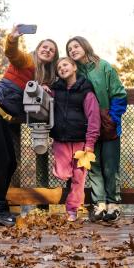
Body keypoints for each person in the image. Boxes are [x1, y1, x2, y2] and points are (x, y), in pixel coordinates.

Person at [0, 26, 59, 226]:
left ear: (54, 57)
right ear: (38, 49)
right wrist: (12, 39)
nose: (47, 50)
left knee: (11, 162)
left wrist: (43, 88)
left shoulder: (42, 76)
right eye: (44, 47)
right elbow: (13, 54)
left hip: (2, 118)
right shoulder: (28, 61)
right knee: (3, 161)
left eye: (52, 50)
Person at [66, 36, 127, 222]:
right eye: (69, 49)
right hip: (86, 129)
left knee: (110, 166)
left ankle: (113, 204)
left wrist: (113, 118)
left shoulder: (104, 67)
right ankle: (99, 204)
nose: (73, 50)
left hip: (108, 125)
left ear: (85, 46)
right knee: (93, 167)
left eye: (76, 46)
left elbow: (119, 94)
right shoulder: (73, 72)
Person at [49, 57, 100, 222]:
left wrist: (90, 143)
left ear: (74, 67)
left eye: (65, 64)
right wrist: (43, 89)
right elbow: (44, 101)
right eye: (59, 67)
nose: (62, 68)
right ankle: (73, 197)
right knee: (62, 173)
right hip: (60, 141)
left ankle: (73, 210)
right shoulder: (56, 89)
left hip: (81, 143)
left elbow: (93, 118)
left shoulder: (86, 90)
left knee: (79, 177)